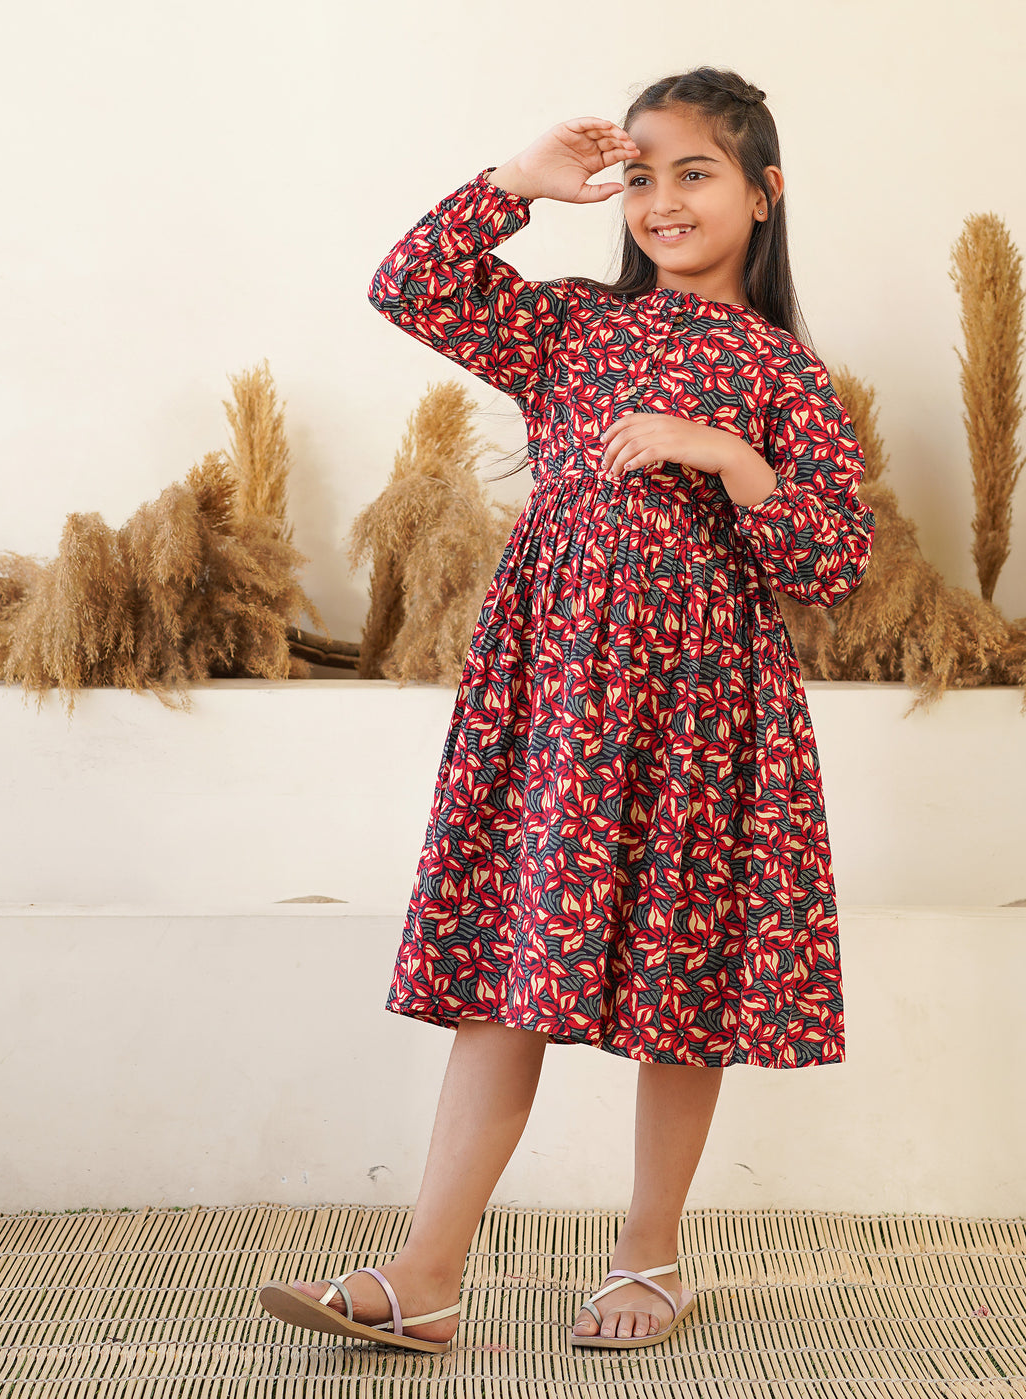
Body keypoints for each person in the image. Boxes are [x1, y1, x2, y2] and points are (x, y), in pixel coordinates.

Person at [257, 66, 875, 1357]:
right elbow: (408, 288)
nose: (661, 198)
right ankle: (427, 1272)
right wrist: (514, 185)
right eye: (640, 175)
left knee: (684, 981)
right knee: (507, 974)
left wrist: (734, 458)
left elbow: (831, 563)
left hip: (707, 714)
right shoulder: (576, 328)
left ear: (765, 194)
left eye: (694, 171)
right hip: (558, 704)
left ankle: (650, 1263)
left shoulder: (785, 374)